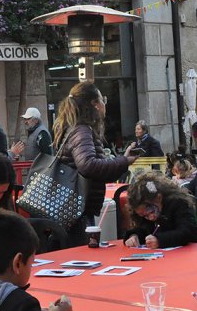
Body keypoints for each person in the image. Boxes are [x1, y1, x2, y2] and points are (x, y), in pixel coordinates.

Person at [53, 81, 136, 245]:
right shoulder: (81, 130)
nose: (104, 103)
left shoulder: (75, 128)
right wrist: (123, 161)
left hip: (76, 207)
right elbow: (88, 165)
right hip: (78, 210)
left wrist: (122, 161)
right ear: (94, 104)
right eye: (102, 99)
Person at [124, 173, 197, 248]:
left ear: (159, 198)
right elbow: (144, 228)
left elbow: (186, 232)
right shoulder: (145, 210)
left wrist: (160, 240)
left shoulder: (179, 203)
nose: (150, 218)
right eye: (144, 216)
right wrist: (134, 236)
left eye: (151, 211)